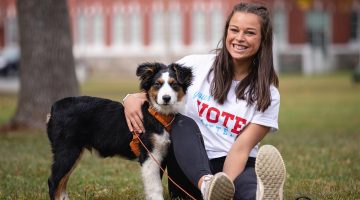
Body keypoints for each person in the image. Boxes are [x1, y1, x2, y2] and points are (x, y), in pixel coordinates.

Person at [123, 2, 286, 200]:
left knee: (248, 190)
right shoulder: (195, 66)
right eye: (234, 30)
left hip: (237, 162)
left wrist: (224, 183)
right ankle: (207, 186)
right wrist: (131, 98)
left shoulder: (267, 93)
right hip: (189, 162)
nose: (240, 38)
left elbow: (241, 148)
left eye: (250, 33)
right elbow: (162, 89)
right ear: (226, 32)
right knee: (182, 124)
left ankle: (259, 195)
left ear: (263, 39)